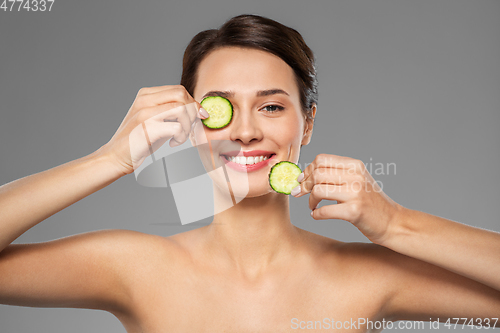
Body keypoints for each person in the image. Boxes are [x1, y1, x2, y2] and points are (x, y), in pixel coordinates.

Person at [0, 14, 499, 332]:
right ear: (188, 124)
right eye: (219, 108)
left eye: (271, 108)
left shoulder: (367, 277)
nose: (243, 132)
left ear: (307, 125)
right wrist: (110, 159)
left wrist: (395, 225)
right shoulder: (136, 268)